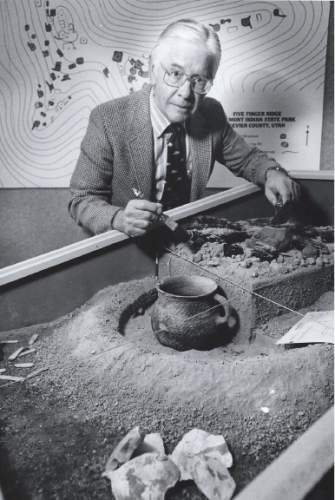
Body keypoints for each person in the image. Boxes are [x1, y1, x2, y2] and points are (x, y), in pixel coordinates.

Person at [69, 19, 300, 236]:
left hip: (182, 239)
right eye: (175, 74)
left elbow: (248, 160)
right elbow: (82, 199)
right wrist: (118, 219)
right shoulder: (108, 119)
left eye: (198, 80)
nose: (186, 93)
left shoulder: (211, 113)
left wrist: (272, 173)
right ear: (152, 69)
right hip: (125, 246)